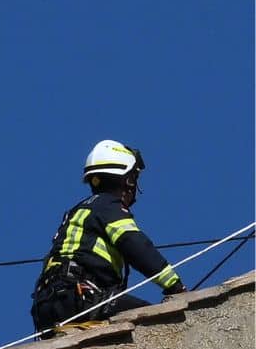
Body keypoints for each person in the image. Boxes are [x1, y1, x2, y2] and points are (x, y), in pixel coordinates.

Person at [30, 140, 184, 332]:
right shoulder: (108, 206)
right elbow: (135, 245)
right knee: (157, 325)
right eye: (134, 178)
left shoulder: (79, 211)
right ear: (128, 180)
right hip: (80, 298)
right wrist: (175, 286)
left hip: (47, 306)